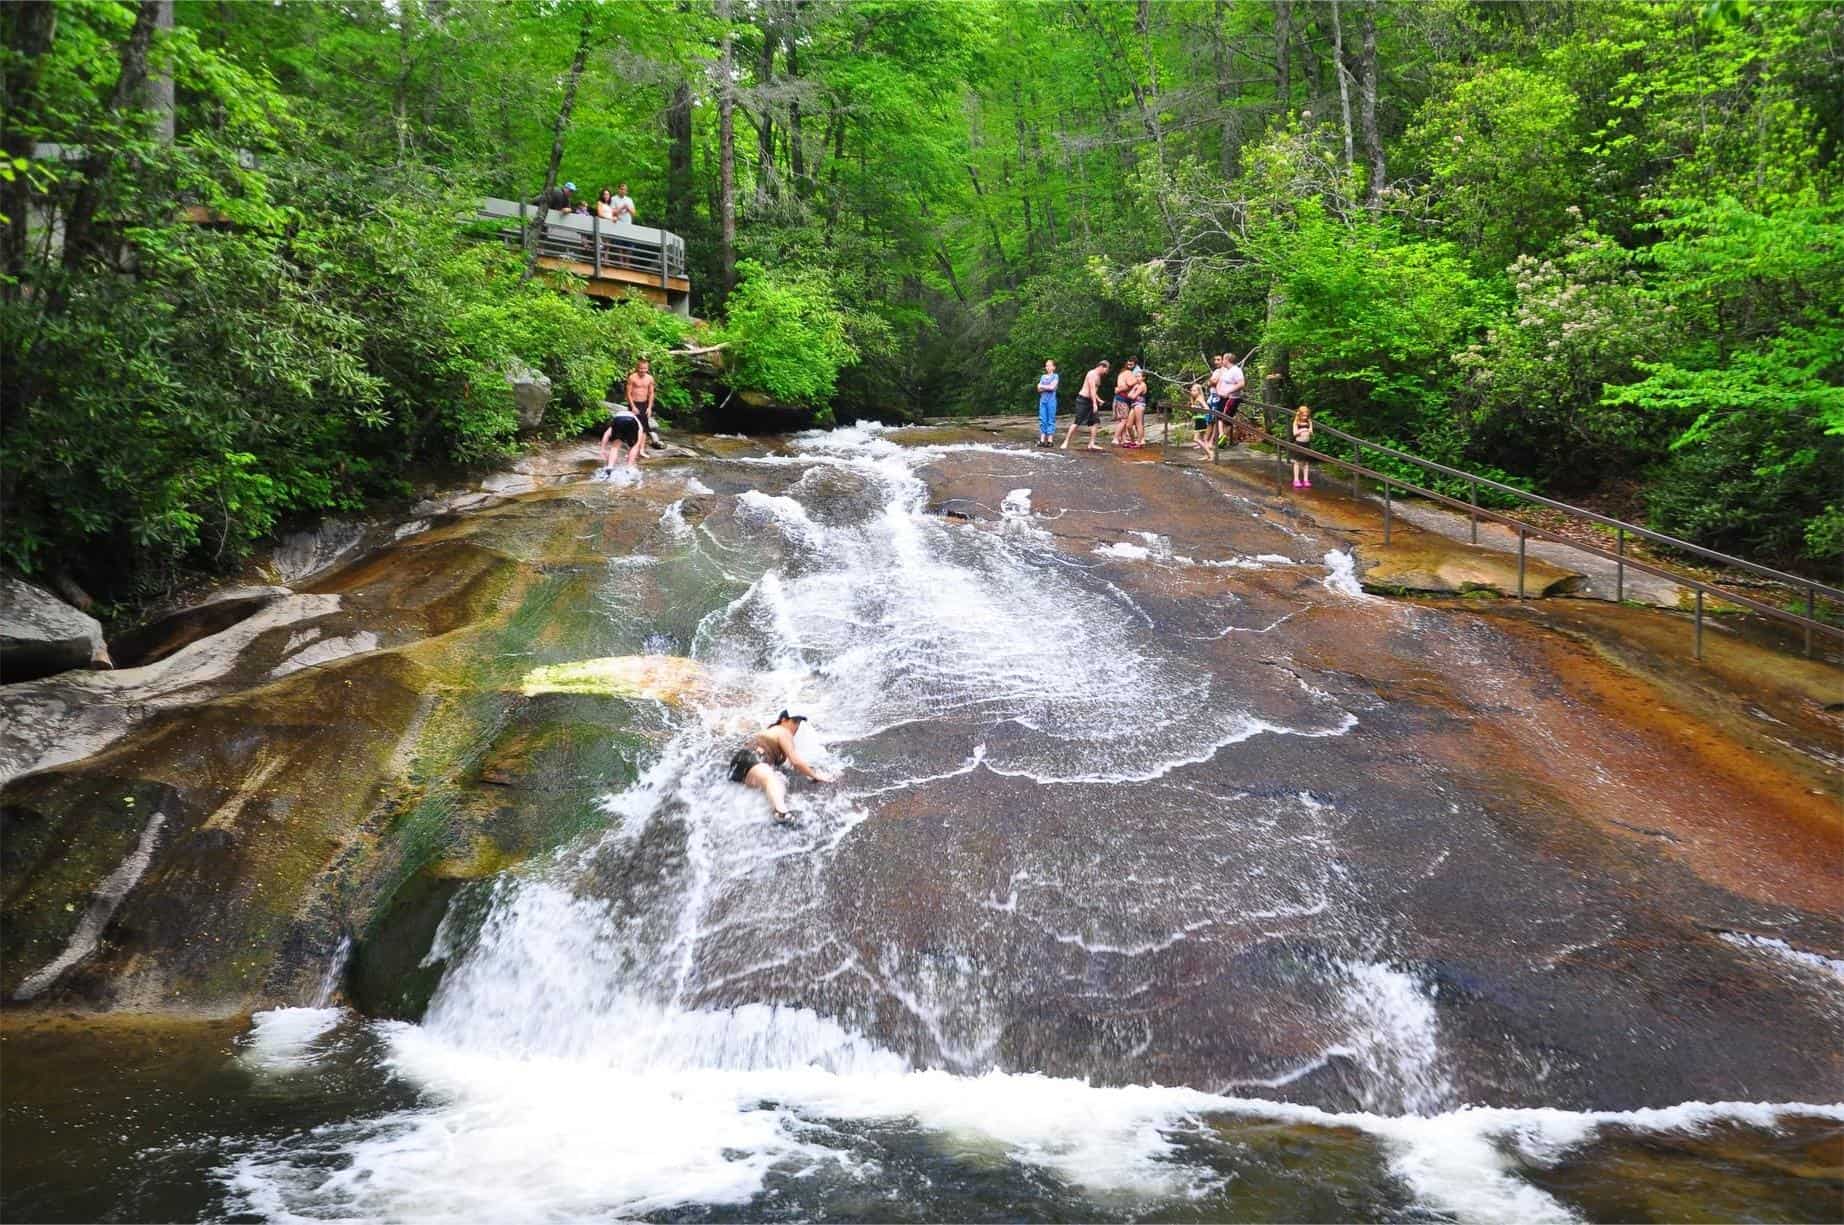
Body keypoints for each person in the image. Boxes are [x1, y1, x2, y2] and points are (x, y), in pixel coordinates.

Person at [729, 710, 834, 823]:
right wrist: (816, 775)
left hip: (739, 765)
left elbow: (792, 764)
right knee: (774, 779)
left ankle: (779, 811)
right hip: (754, 759)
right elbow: (795, 761)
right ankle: (781, 812)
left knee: (773, 778)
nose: (797, 726)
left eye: (799, 723)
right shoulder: (783, 731)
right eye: (795, 722)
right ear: (783, 720)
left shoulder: (770, 732)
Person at [1062, 359, 1108, 451]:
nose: (1107, 371)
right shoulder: (1092, 374)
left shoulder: (1098, 376)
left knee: (1095, 422)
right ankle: (1066, 441)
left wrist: (1098, 400)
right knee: (1077, 422)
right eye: (1107, 369)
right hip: (1083, 400)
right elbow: (1091, 389)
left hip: (1091, 400)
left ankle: (1092, 443)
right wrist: (1095, 404)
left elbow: (1094, 391)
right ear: (1102, 366)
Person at [599, 403, 647, 472]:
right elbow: (638, 441)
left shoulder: (619, 415)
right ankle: (629, 467)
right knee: (635, 446)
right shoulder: (638, 422)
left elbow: (606, 434)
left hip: (618, 419)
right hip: (631, 420)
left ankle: (610, 467)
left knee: (615, 446)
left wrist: (602, 449)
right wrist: (638, 446)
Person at [625, 358, 660, 446]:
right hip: (634, 403)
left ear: (647, 368)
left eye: (645, 368)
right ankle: (631, 446)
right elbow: (628, 393)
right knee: (632, 426)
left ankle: (641, 449)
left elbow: (651, 393)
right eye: (641, 368)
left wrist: (649, 407)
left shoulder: (650, 378)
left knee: (644, 427)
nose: (642, 370)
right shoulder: (632, 377)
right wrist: (632, 406)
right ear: (637, 368)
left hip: (644, 404)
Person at [1035, 359, 1060, 446]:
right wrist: (1046, 387)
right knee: (1042, 419)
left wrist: (1042, 386)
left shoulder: (1055, 376)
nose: (1048, 367)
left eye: (1049, 365)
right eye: (1046, 365)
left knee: (1051, 419)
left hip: (1051, 400)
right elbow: (1038, 389)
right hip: (1043, 400)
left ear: (1054, 367)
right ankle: (1042, 440)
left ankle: (1050, 440)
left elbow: (1052, 387)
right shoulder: (1043, 376)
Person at [1291, 405, 1315, 488]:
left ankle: (1306, 479)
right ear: (1300, 414)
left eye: (1306, 415)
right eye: (1303, 415)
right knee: (1297, 462)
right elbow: (1294, 433)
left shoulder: (1309, 421)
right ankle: (1296, 479)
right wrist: (1302, 430)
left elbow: (1312, 432)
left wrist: (1309, 431)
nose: (1305, 417)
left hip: (1307, 443)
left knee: (1306, 462)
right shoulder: (1296, 422)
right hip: (1299, 443)